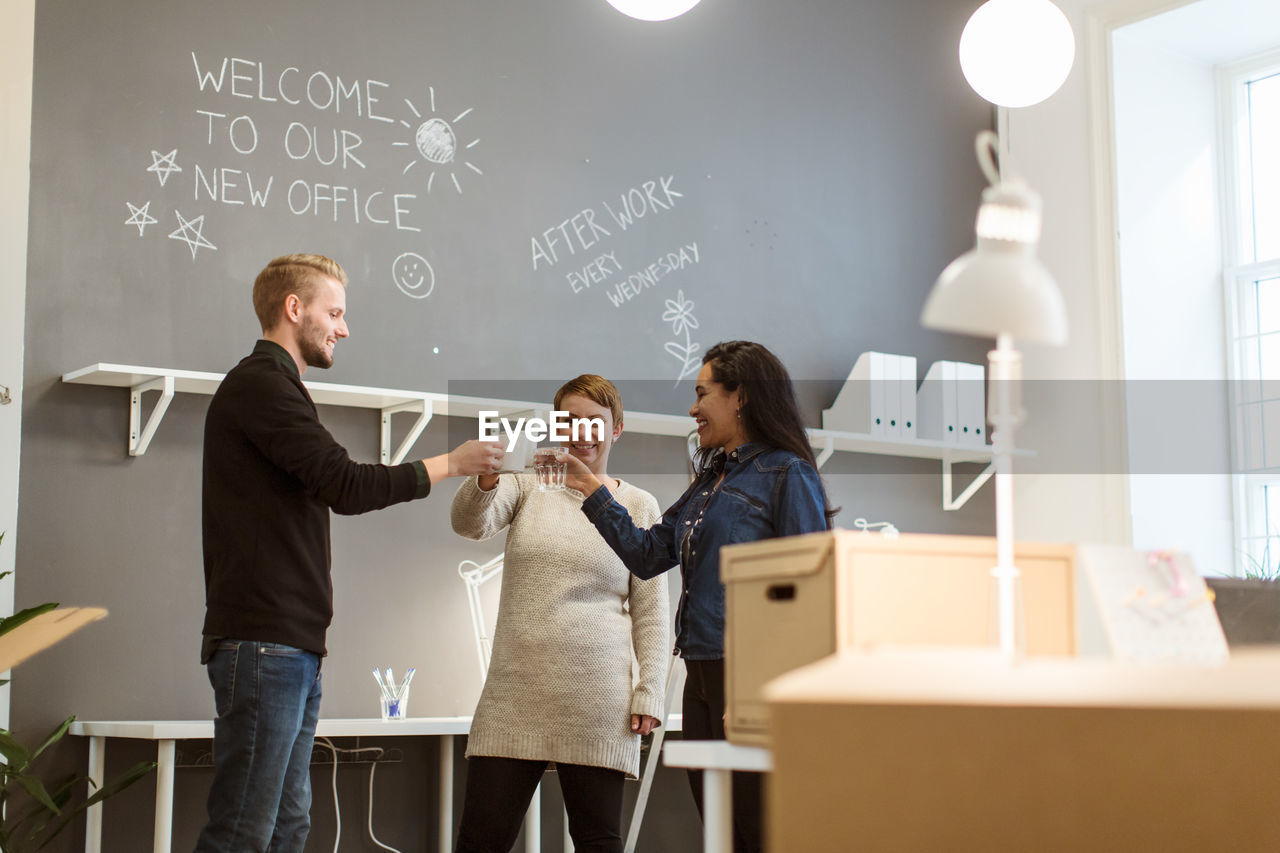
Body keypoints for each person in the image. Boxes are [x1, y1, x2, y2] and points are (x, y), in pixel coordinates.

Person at [196, 253, 504, 853]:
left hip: (290, 646)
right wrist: (452, 463)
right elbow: (347, 484)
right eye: (334, 312)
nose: (343, 327)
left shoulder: (277, 389)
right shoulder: (261, 386)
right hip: (266, 645)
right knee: (242, 833)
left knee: (286, 829)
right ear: (294, 308)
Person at [561, 341, 837, 853]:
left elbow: (806, 591)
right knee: (720, 829)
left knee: (760, 832)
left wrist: (761, 688)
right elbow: (647, 555)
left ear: (741, 397)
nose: (692, 408)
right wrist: (593, 489)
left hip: (750, 676)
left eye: (701, 392)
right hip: (703, 676)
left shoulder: (786, 474)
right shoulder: (713, 478)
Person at [449, 374, 670, 853]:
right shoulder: (527, 485)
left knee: (597, 841)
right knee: (480, 841)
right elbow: (469, 523)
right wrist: (486, 478)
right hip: (514, 695)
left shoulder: (637, 504)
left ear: (617, 430)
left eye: (595, 423)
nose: (581, 433)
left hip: (599, 701)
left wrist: (651, 692)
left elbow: (652, 612)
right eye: (570, 421)